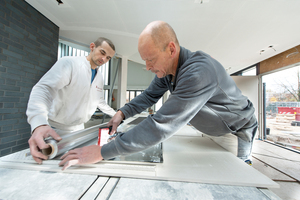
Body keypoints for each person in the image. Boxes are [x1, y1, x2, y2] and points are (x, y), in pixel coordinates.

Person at [59, 21, 257, 170]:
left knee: (240, 174)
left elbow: (161, 124)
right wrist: (121, 113)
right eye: (144, 61)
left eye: (151, 59)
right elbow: (148, 96)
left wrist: (103, 152)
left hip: (237, 129)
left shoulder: (198, 71)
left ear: (171, 49)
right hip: (213, 130)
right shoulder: (169, 71)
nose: (147, 67)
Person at [27, 37, 117, 164]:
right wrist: (39, 123)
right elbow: (44, 89)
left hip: (79, 130)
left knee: (74, 165)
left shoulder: (100, 77)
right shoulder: (69, 63)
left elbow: (99, 101)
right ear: (92, 47)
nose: (104, 59)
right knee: (47, 164)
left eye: (108, 58)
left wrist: (117, 115)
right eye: (102, 52)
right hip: (55, 129)